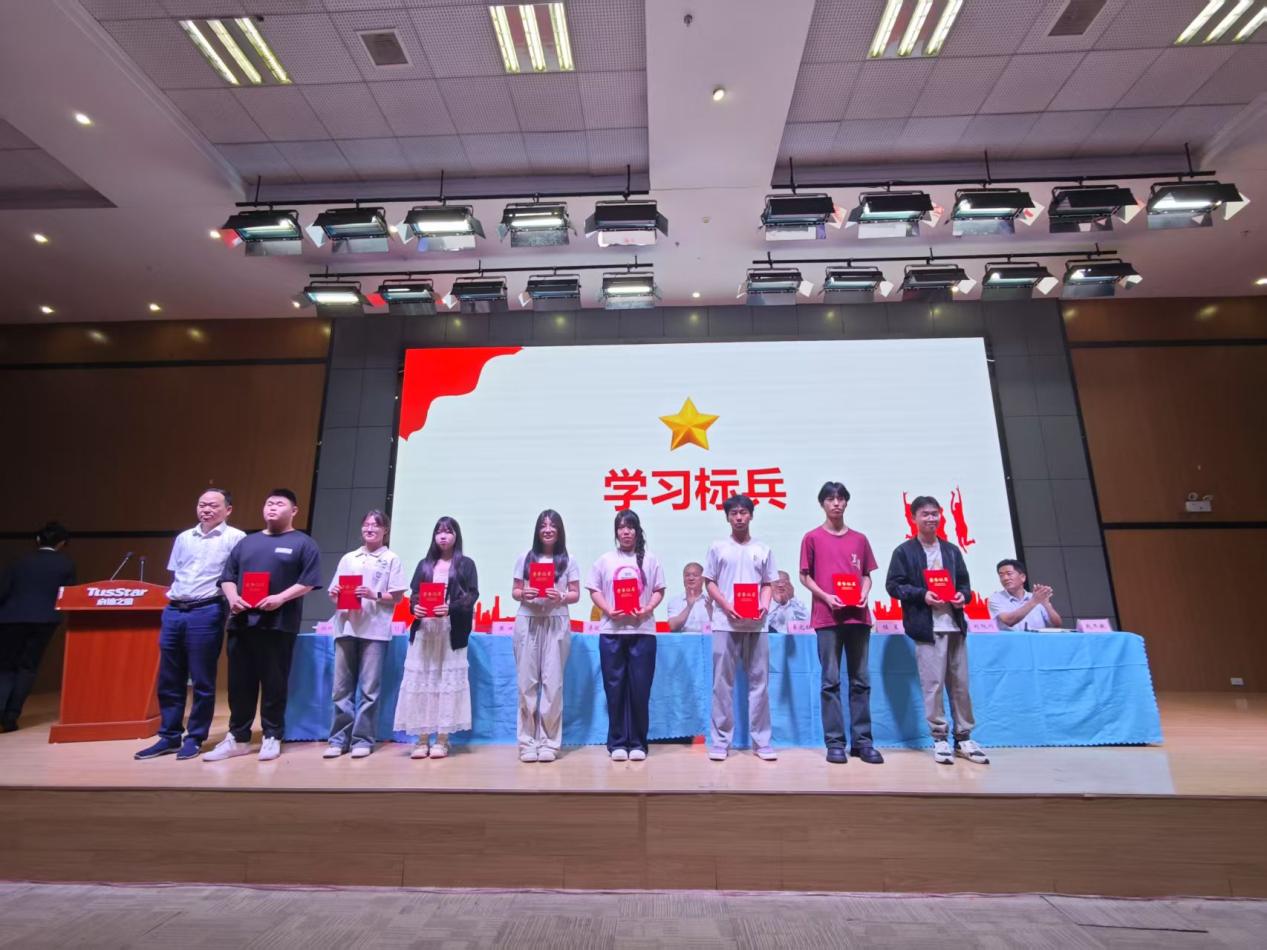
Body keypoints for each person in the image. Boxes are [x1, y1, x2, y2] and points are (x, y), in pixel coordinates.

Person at [204, 489, 320, 763]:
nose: (272, 507)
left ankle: (272, 735)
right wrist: (233, 598)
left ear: (294, 511)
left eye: (279, 503)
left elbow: (309, 581)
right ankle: (238, 737)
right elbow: (227, 577)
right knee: (239, 683)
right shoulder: (247, 542)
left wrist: (280, 598)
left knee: (274, 683)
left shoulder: (303, 543)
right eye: (268, 503)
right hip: (242, 622)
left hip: (278, 625)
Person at [135, 489, 244, 761]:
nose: (206, 509)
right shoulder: (184, 537)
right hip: (174, 609)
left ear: (228, 510)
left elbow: (237, 576)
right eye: (202, 504)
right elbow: (177, 573)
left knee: (202, 679)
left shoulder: (236, 538)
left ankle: (194, 737)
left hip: (207, 609)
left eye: (213, 505)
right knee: (169, 677)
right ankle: (169, 735)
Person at [885, 495, 988, 766]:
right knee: (933, 686)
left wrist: (962, 596)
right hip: (927, 628)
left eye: (935, 513)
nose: (931, 518)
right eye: (925, 514)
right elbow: (893, 586)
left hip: (955, 626)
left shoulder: (951, 550)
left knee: (961, 685)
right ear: (914, 518)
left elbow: (964, 584)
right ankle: (940, 738)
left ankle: (963, 738)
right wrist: (922, 595)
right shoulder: (904, 551)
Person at [799, 482, 883, 765]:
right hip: (827, 617)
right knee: (830, 681)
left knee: (861, 681)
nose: (836, 503)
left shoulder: (860, 539)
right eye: (830, 499)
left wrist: (864, 593)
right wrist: (826, 597)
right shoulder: (812, 538)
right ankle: (835, 743)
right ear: (822, 504)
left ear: (847, 502)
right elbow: (804, 576)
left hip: (858, 616)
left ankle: (863, 742)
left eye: (840, 498)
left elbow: (867, 574)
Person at [322, 510, 407, 760]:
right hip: (345, 626)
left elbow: (398, 596)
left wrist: (374, 594)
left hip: (375, 630)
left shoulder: (391, 559)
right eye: (366, 525)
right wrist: (335, 594)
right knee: (341, 689)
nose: (370, 529)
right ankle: (338, 740)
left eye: (376, 525)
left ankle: (363, 740)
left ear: (385, 531)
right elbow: (334, 593)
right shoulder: (349, 558)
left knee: (370, 690)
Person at [394, 516, 479, 760]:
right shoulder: (425, 564)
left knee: (445, 684)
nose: (443, 536)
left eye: (448, 531)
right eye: (439, 531)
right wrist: (416, 608)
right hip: (425, 631)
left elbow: (472, 595)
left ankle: (442, 739)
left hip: (451, 632)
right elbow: (414, 596)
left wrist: (450, 608)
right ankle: (422, 739)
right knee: (424, 682)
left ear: (456, 536)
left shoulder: (466, 564)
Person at [586, 509, 665, 762]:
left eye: (630, 527)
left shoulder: (650, 560)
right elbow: (594, 590)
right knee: (614, 689)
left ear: (637, 531)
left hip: (642, 631)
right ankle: (618, 742)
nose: (626, 532)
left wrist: (648, 608)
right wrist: (608, 609)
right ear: (616, 532)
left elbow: (659, 590)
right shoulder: (605, 560)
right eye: (621, 527)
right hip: (612, 631)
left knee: (640, 689)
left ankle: (639, 743)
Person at [704, 494, 778, 762]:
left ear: (751, 515)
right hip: (725, 623)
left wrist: (764, 606)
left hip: (757, 624)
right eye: (733, 513)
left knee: (760, 683)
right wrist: (725, 606)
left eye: (743, 512)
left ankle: (762, 742)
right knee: (722, 684)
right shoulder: (717, 547)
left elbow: (768, 583)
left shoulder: (763, 548)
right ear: (727, 517)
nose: (738, 517)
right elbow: (709, 582)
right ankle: (720, 742)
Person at [511, 509, 580, 764]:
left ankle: (549, 743)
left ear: (559, 531)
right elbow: (515, 590)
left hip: (556, 621)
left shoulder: (568, 560)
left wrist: (560, 596)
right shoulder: (525, 558)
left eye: (553, 526)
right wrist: (524, 593)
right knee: (526, 684)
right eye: (543, 525)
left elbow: (575, 594)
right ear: (537, 530)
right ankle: (527, 743)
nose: (548, 529)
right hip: (528, 620)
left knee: (553, 685)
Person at [0, 521, 75, 732]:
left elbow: (3, 590)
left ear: (38, 539)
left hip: (11, 618)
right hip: (45, 620)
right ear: (62, 543)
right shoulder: (66, 564)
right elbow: (68, 595)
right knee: (28, 668)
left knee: (5, 667)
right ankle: (11, 717)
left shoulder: (20, 561)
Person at [988, 559, 1063, 631]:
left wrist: (1046, 604)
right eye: (1001, 575)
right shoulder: (996, 598)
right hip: (1011, 640)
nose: (1005, 578)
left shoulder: (1036, 597)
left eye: (1009, 574)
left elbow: (1057, 624)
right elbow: (1009, 621)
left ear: (1022, 577)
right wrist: (1034, 601)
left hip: (1037, 639)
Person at [665, 562, 712, 631]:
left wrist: (711, 612)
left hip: (707, 637)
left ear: (703, 579)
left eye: (695, 575)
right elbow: (672, 626)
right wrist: (689, 607)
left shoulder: (710, 601)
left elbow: (717, 628)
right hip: (683, 638)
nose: (691, 578)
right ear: (683, 579)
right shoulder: (675, 602)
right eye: (687, 575)